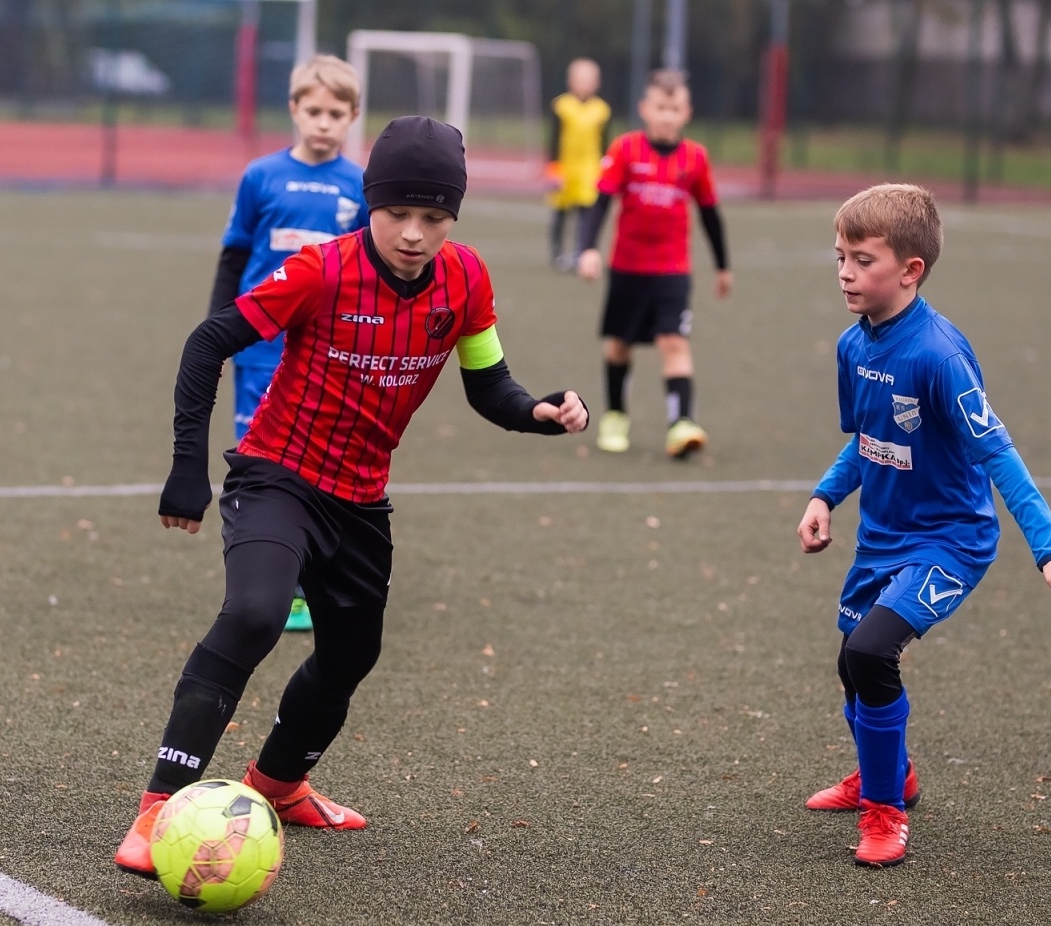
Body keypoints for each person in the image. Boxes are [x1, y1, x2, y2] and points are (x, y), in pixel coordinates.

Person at [115, 116, 590, 878]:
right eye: (398, 213)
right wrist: (186, 470)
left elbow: (489, 383)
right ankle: (155, 807)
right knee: (254, 614)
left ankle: (278, 783)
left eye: (433, 218)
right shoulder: (320, 270)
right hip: (278, 475)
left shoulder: (467, 278)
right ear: (370, 204)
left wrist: (536, 410)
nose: (413, 233)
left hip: (361, 497)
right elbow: (209, 341)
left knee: (351, 652)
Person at [796, 183, 1051, 867]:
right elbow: (866, 440)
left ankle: (885, 811)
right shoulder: (852, 346)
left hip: (951, 541)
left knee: (872, 652)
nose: (844, 271)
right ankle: (890, 772)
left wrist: (1050, 551)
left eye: (861, 259)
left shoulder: (938, 354)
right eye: (839, 256)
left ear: (910, 270)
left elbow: (999, 453)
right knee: (851, 660)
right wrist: (825, 497)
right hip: (882, 538)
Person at [209, 54, 369, 632]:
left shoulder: (359, 186)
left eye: (336, 113)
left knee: (318, 463)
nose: (323, 122)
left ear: (352, 116)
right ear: (294, 111)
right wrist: (219, 327)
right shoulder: (260, 176)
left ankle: (308, 580)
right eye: (313, 111)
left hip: (328, 350)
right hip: (259, 346)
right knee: (261, 461)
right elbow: (234, 254)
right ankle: (262, 570)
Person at [576, 68, 730, 460]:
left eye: (674, 108)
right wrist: (588, 248)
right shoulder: (626, 149)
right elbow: (600, 202)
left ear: (686, 112)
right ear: (645, 108)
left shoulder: (696, 158)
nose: (667, 116)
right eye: (660, 107)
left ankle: (681, 424)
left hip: (672, 269)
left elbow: (711, 214)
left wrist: (723, 266)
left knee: (674, 342)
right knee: (620, 345)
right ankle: (615, 415)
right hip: (627, 266)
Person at [546, 58, 610, 271]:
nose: (583, 84)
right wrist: (554, 169)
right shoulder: (561, 106)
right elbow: (554, 140)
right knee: (561, 212)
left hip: (590, 170)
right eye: (579, 79)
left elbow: (604, 143)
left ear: (596, 83)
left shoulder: (602, 110)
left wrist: (605, 169)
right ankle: (557, 253)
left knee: (587, 213)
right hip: (566, 168)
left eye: (588, 80)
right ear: (570, 81)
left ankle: (581, 252)